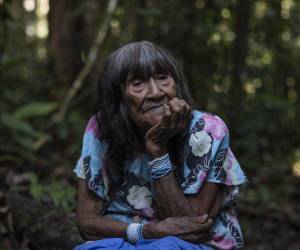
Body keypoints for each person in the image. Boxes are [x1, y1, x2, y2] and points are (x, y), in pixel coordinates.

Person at [73, 41, 248, 250]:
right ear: (119, 96)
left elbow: (190, 230)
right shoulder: (100, 129)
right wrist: (145, 232)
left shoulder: (208, 130)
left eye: (163, 78)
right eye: (138, 83)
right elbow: (87, 224)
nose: (156, 92)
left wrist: (158, 149)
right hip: (122, 241)